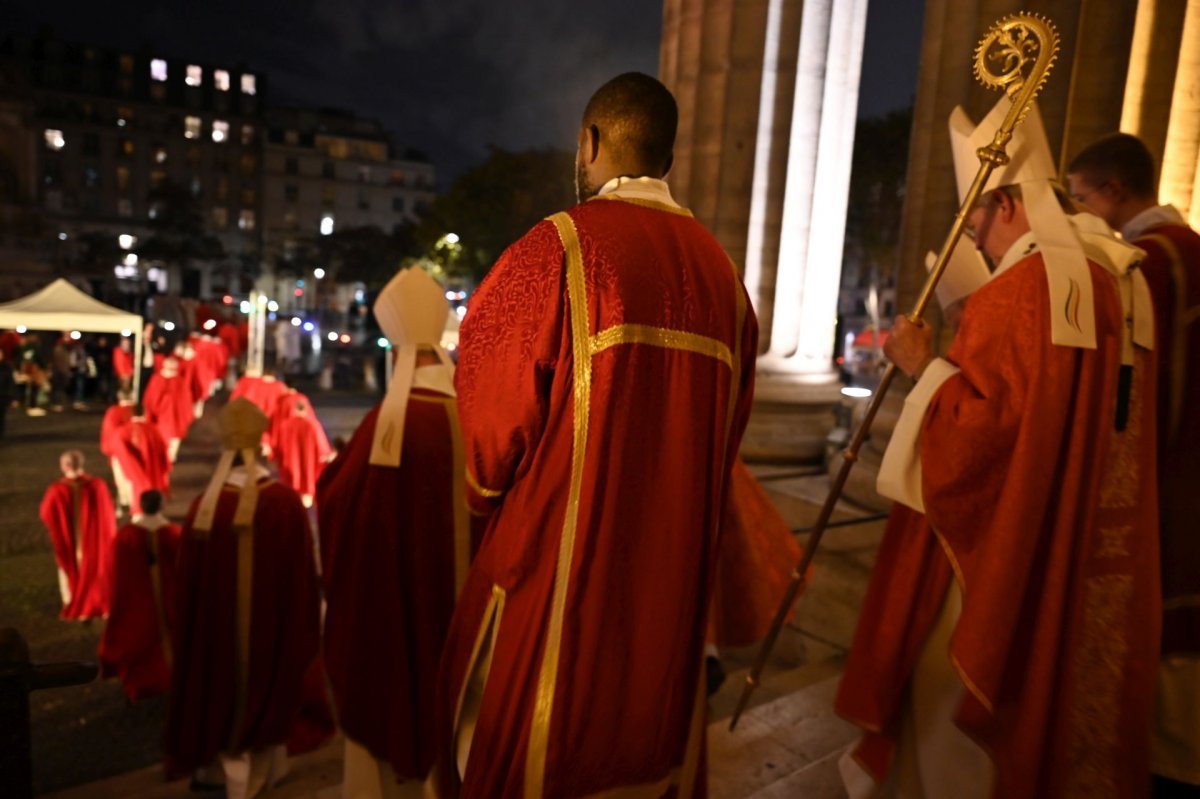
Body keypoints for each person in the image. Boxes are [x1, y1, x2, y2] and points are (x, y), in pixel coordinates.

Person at [433, 72, 757, 797]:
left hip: (558, 582)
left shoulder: (560, 249)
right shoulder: (726, 280)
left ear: (590, 143)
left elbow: (489, 431)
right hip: (669, 593)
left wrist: (487, 500)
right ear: (666, 155)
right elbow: (725, 438)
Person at [835, 97, 1160, 798]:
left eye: (975, 218)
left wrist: (924, 362)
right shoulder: (1111, 275)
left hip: (994, 559)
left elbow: (977, 442)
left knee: (943, 713)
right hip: (1067, 544)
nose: (974, 238)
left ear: (1006, 203)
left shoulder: (1017, 291)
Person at [1067, 132, 1200, 797]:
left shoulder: (1147, 262)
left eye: (1081, 198)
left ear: (1114, 192)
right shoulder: (1192, 249)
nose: (1080, 212)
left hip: (1170, 494)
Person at [318, 267, 480, 798]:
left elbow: (343, 507)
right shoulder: (479, 413)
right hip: (474, 621)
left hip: (401, 611)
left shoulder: (385, 428)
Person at [165, 398, 321, 798]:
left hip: (217, 639)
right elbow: (304, 576)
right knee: (267, 701)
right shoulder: (284, 503)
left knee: (223, 699)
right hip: (273, 633)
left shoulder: (206, 507)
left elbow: (186, 585)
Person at [98, 489, 182, 701]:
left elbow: (112, 570)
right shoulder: (174, 534)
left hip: (135, 603)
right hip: (171, 601)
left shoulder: (126, 535)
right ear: (162, 506)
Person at [38, 450, 117, 620]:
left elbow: (45, 513)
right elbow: (108, 515)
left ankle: (72, 600)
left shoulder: (56, 490)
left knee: (68, 568)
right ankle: (100, 602)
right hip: (94, 542)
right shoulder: (97, 485)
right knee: (98, 568)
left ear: (64, 466)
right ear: (81, 465)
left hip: (69, 541)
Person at [112, 404, 172, 515]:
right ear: (145, 414)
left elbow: (119, 453)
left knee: (134, 498)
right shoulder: (155, 430)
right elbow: (164, 450)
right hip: (152, 471)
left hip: (131, 472)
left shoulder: (122, 432)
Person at [271, 398, 330, 508]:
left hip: (291, 462)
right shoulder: (313, 424)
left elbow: (278, 446)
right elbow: (321, 447)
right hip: (309, 462)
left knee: (292, 490)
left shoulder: (286, 425)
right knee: (306, 493)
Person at [142, 355, 194, 463]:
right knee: (172, 444)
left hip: (160, 418)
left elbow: (149, 399)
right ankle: (169, 459)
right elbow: (186, 401)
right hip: (175, 418)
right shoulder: (180, 381)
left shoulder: (156, 379)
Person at [101, 393, 137, 515]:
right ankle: (132, 501)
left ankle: (124, 500)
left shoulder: (112, 412)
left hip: (117, 450)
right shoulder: (135, 410)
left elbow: (108, 430)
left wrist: (109, 449)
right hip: (134, 450)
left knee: (120, 477)